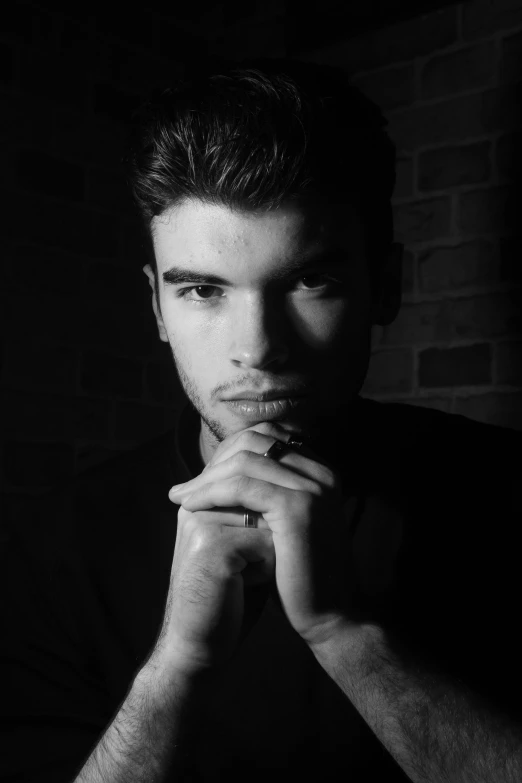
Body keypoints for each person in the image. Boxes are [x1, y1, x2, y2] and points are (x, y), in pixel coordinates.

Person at [1, 57, 521, 783]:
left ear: (387, 286)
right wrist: (174, 668)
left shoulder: (507, 488)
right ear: (157, 306)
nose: (258, 349)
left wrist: (347, 636)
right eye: (203, 290)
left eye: (311, 280)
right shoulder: (47, 552)